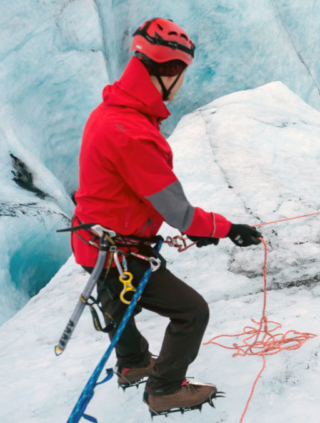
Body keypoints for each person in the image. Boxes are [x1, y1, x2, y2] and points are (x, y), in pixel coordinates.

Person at [71, 18, 262, 416]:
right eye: (182, 74)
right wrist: (227, 230)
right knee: (192, 311)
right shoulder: (132, 132)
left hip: (94, 244)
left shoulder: (110, 113)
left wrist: (195, 229)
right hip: (119, 252)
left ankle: (134, 363)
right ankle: (165, 388)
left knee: (118, 306)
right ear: (169, 71)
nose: (183, 83)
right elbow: (178, 211)